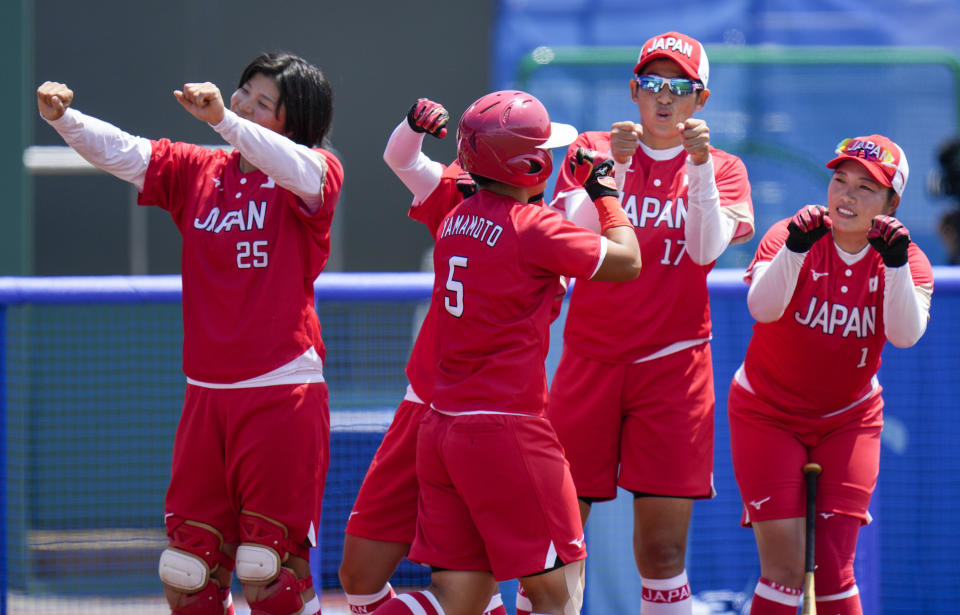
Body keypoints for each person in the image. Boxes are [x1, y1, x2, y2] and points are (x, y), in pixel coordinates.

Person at [37, 51, 343, 615]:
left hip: (281, 394)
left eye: (263, 103)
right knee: (187, 577)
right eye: (244, 92)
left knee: (269, 575)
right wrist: (64, 120)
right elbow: (128, 152)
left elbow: (299, 169)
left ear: (293, 122)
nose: (246, 104)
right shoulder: (200, 169)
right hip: (206, 396)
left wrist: (227, 120)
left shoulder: (315, 171)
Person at [371, 90, 642, 615]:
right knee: (559, 592)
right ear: (529, 163)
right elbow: (627, 261)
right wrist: (605, 191)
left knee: (456, 598)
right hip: (508, 428)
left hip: (443, 429)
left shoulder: (455, 219)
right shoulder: (533, 228)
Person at [544, 31, 754, 614]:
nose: (665, 97)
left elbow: (706, 248)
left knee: (662, 552)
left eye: (680, 86)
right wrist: (611, 165)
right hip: (589, 360)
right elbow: (572, 238)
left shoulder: (725, 168)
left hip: (673, 367)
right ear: (634, 90)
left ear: (700, 100)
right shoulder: (591, 146)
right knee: (558, 535)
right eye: (653, 84)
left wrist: (701, 166)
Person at [728, 134, 932, 615]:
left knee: (836, 570)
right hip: (766, 413)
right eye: (840, 181)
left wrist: (897, 265)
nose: (847, 196)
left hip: (849, 418)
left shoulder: (905, 258)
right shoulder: (792, 234)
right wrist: (795, 250)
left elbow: (905, 335)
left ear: (891, 203)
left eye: (866, 188)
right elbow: (761, 306)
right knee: (782, 571)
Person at [338, 98, 505, 615]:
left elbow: (618, 260)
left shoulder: (546, 222)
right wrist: (411, 124)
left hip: (487, 418)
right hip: (423, 403)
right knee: (358, 578)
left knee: (477, 594)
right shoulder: (460, 192)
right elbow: (402, 159)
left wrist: (606, 195)